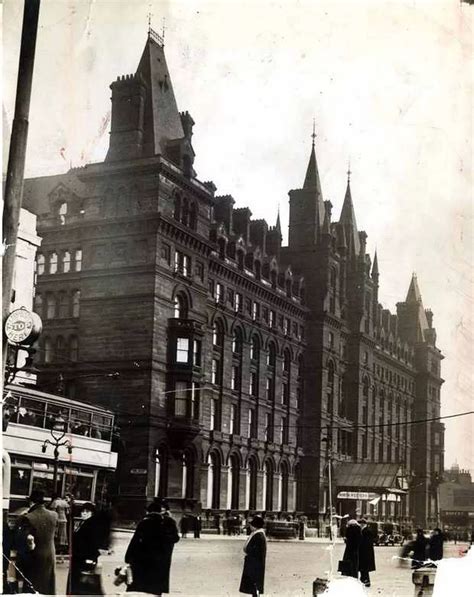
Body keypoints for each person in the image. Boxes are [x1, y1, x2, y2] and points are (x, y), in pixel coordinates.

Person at [125, 498, 180, 595]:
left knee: (140, 587)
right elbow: (175, 538)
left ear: (149, 511)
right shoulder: (169, 522)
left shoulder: (145, 522)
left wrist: (128, 557)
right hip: (161, 561)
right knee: (156, 587)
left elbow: (135, 541)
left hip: (143, 560)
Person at [14, 489, 58, 595]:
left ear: (31, 503)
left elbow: (22, 538)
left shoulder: (28, 517)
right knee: (47, 587)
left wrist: (22, 517)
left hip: (34, 557)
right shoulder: (54, 515)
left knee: (33, 588)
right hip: (50, 555)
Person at [68, 502, 108, 595]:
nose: (84, 513)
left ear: (92, 513)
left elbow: (93, 544)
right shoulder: (83, 523)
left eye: (87, 511)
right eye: (83, 511)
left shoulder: (91, 526)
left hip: (84, 560)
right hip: (78, 559)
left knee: (85, 587)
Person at [239, 515, 267, 597]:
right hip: (253, 562)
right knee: (253, 583)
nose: (250, 527)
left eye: (251, 525)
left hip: (254, 563)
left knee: (254, 582)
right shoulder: (257, 534)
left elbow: (254, 550)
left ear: (255, 526)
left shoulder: (258, 535)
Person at [358, 518, 376, 587]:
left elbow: (367, 543)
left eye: (360, 524)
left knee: (364, 568)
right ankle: (364, 580)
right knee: (364, 568)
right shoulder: (364, 531)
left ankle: (366, 581)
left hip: (366, 553)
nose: (360, 525)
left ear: (363, 524)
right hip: (365, 553)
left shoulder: (367, 531)